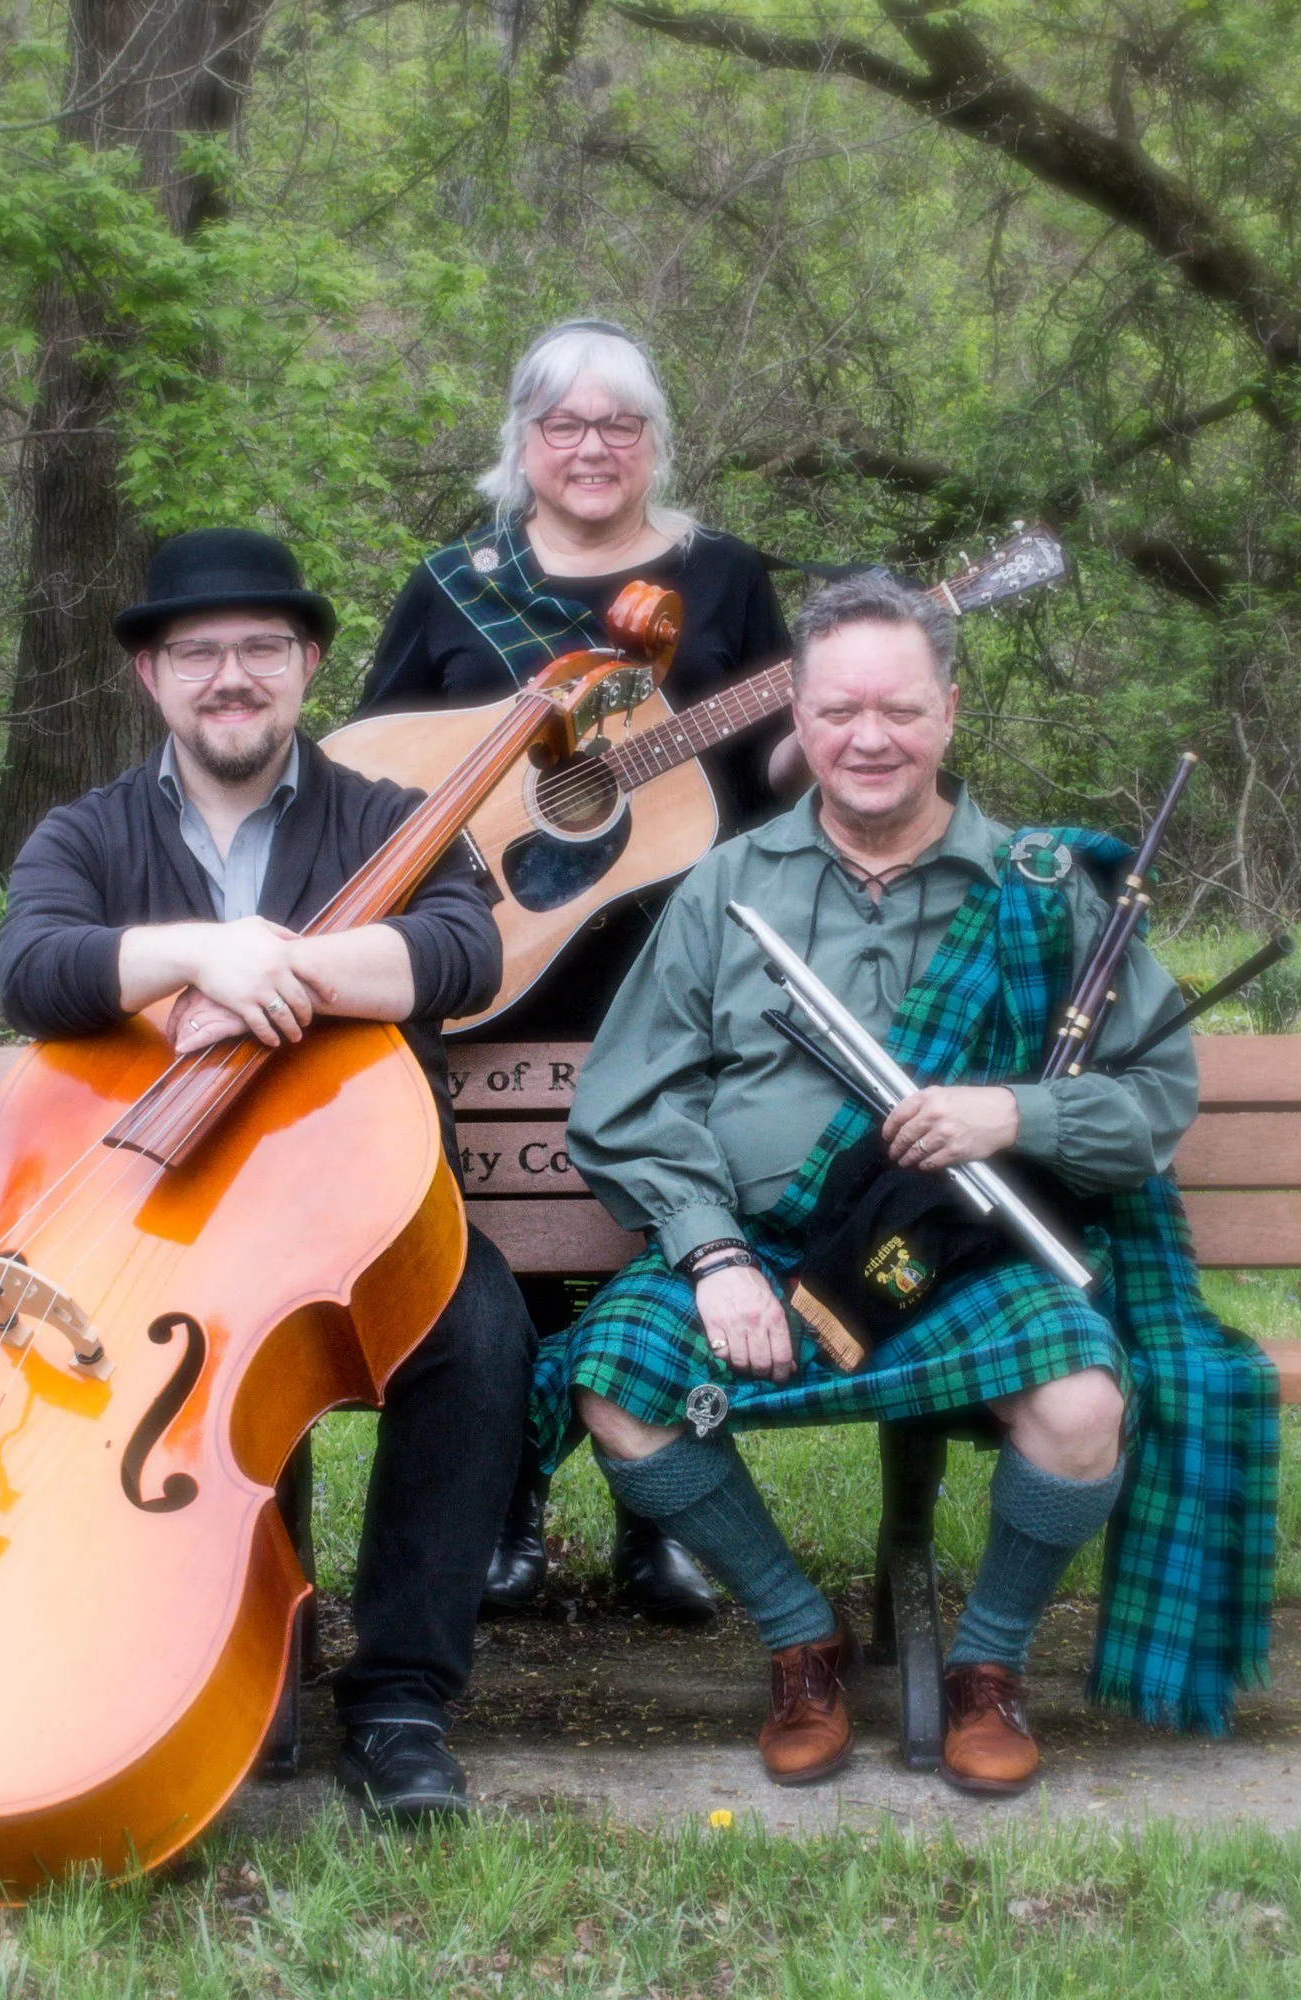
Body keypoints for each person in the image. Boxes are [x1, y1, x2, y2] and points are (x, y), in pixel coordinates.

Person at [536, 571, 1278, 1794]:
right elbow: (631, 1100)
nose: (865, 737)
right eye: (834, 711)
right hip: (765, 1251)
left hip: (961, 1248)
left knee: (1084, 1403)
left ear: (948, 710)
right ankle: (797, 1637)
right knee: (618, 1385)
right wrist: (711, 1251)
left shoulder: (1041, 894)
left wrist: (1014, 1110)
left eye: (897, 707)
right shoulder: (727, 888)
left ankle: (988, 1663)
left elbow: (1152, 1100)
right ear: (798, 721)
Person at [0, 527, 533, 1822]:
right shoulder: (89, 832)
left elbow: (459, 955)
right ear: (151, 677)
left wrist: (272, 968)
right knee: (198, 1363)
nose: (229, 675)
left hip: (366, 1213)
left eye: (259, 649)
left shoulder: (391, 819)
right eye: (198, 652)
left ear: (305, 667)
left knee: (482, 1340)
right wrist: (196, 950)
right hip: (172, 1226)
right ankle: (234, 1665)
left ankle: (402, 1703)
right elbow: (34, 967)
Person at [356, 320, 794, 1623]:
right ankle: (504, 1509)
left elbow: (774, 780)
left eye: (619, 425)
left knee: (665, 1224)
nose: (592, 448)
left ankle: (661, 1513)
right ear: (524, 444)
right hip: (499, 962)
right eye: (564, 425)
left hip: (678, 958)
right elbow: (375, 772)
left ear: (657, 441)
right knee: (502, 1240)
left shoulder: (725, 580)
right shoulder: (453, 586)